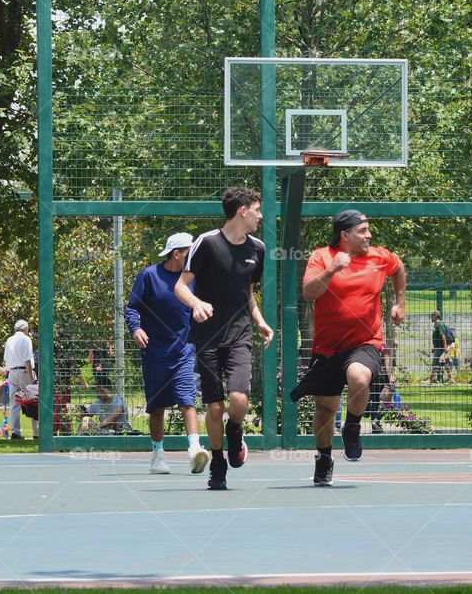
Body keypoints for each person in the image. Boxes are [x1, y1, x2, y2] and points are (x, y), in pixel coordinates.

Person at [290, 210, 406, 486]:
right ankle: (324, 458)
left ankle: (353, 426)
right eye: (362, 231)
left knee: (358, 376)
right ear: (344, 236)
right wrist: (333, 269)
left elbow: (398, 269)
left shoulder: (380, 257)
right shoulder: (322, 257)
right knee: (325, 409)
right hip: (328, 348)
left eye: (368, 229)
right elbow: (309, 293)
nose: (369, 235)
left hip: (365, 343)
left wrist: (400, 302)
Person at [175, 187, 274, 490]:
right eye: (257, 209)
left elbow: (247, 293)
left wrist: (259, 321)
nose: (261, 215)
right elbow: (181, 286)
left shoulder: (257, 248)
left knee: (239, 399)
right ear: (242, 210)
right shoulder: (206, 243)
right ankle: (217, 461)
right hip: (206, 338)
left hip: (240, 335)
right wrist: (196, 303)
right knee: (215, 407)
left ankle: (235, 431)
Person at [126, 231, 211, 475]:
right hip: (154, 354)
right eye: (189, 253)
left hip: (184, 352)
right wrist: (136, 329)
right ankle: (158, 456)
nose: (194, 258)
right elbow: (132, 308)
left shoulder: (194, 279)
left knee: (188, 401)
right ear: (177, 254)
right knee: (157, 408)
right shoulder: (149, 276)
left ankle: (195, 450)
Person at [4, 319, 37, 439]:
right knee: (33, 401)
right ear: (25, 329)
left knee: (14, 403)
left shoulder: (9, 339)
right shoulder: (25, 339)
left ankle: (15, 432)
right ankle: (37, 432)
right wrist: (31, 378)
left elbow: (6, 359)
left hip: (12, 372)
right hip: (24, 371)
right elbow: (27, 359)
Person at [428, 311, 454, 384]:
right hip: (438, 347)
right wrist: (434, 346)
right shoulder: (437, 325)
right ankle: (451, 379)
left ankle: (430, 380)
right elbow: (437, 337)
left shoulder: (440, 324)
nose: (431, 316)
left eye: (432, 315)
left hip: (441, 347)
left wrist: (445, 347)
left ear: (437, 316)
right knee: (443, 363)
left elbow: (443, 336)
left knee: (436, 363)